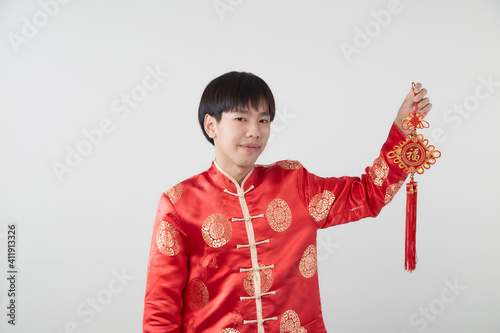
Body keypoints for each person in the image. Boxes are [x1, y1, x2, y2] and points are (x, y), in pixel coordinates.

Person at [143, 71, 431, 333]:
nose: (255, 131)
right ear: (211, 125)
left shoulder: (294, 184)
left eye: (264, 120)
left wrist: (401, 131)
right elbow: (160, 312)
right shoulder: (180, 203)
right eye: (241, 118)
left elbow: (369, 194)